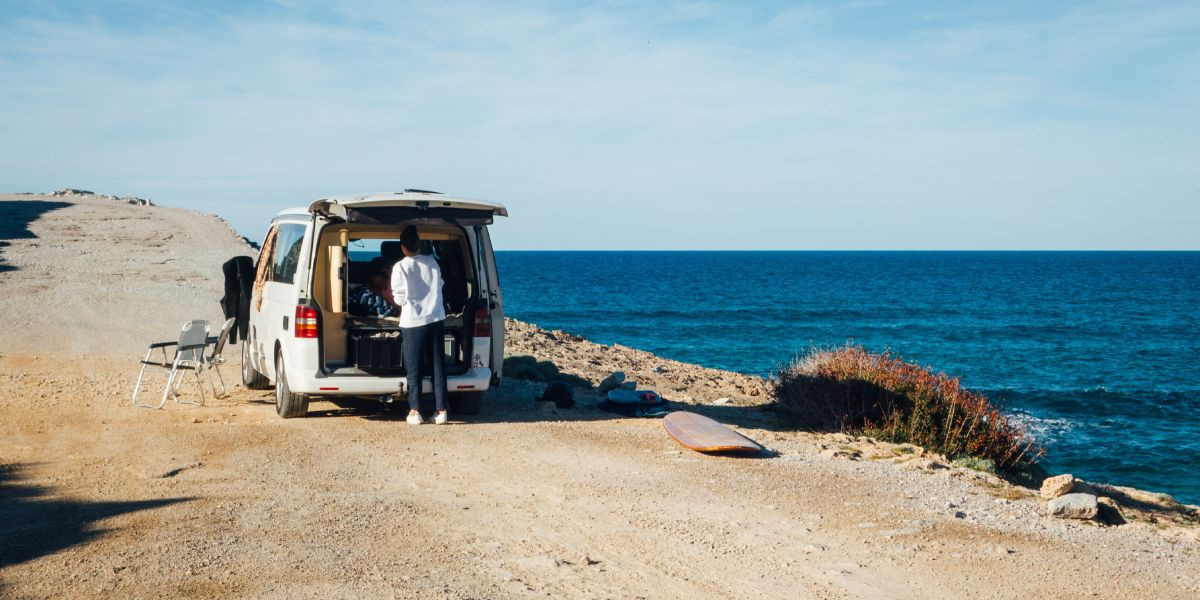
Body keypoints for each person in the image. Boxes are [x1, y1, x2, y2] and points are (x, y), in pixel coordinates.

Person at [390, 226, 448, 425]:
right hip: (435, 318)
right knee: (438, 366)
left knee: (414, 368)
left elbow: (399, 298)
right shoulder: (432, 262)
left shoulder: (400, 267)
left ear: (403, 247)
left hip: (413, 322)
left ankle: (415, 411)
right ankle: (441, 411)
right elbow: (440, 285)